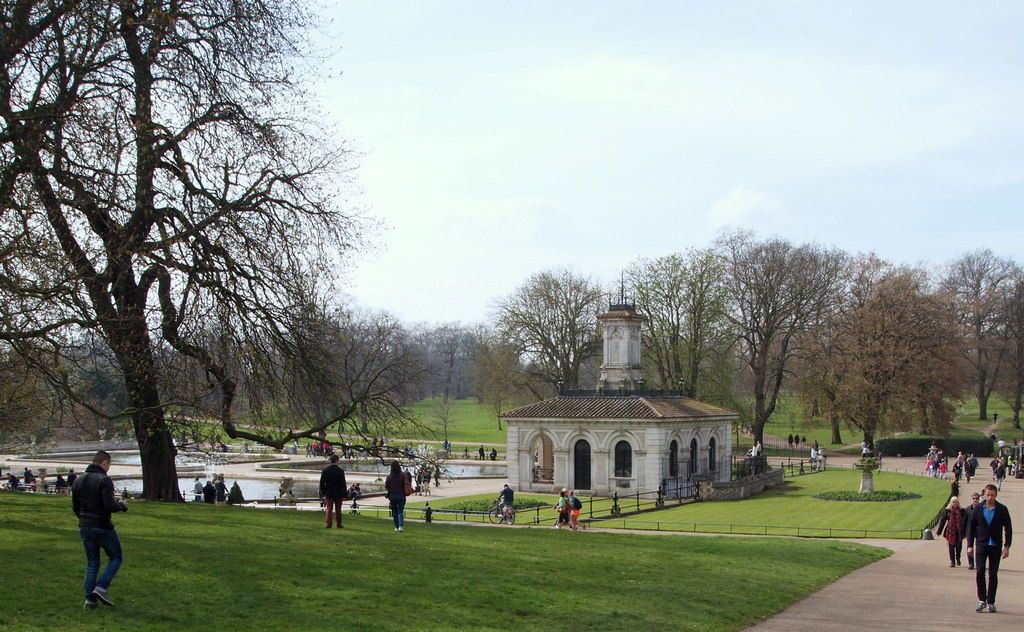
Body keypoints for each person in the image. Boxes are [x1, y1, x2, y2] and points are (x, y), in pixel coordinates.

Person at [71, 450, 128, 609]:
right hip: (102, 525)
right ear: (104, 463)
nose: (109, 468)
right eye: (109, 464)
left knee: (92, 562)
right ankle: (101, 587)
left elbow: (76, 507)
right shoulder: (104, 480)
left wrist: (84, 519)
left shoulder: (78, 480)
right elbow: (109, 506)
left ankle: (90, 600)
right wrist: (121, 506)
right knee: (116, 557)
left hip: (84, 525)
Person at [966, 484, 1013, 613]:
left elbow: (1008, 528)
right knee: (980, 571)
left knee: (993, 574)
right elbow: (972, 528)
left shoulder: (1002, 509)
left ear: (996, 495)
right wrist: (970, 545)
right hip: (981, 544)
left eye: (992, 495)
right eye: (988, 495)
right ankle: (982, 600)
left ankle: (991, 602)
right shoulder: (978, 509)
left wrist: (1007, 546)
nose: (990, 497)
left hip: (995, 545)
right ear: (984, 494)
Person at [937, 496, 968, 567]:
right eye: (953, 502)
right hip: (950, 532)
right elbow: (943, 521)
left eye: (956, 502)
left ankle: (958, 558)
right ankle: (952, 561)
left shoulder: (962, 510)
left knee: (959, 547)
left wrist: (965, 532)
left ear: (958, 502)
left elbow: (965, 521)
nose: (955, 503)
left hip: (959, 531)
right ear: (951, 503)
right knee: (951, 547)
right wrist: (939, 532)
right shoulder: (947, 511)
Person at [319, 454, 348, 529]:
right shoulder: (340, 471)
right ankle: (338, 524)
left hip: (329, 492)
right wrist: (344, 494)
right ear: (337, 460)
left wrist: (323, 492)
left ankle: (328, 524)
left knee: (329, 508)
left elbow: (322, 483)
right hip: (338, 493)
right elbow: (343, 484)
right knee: (338, 509)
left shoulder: (325, 470)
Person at [384, 460, 409, 532]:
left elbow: (386, 486)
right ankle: (401, 526)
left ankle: (396, 526)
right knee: (400, 510)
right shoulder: (402, 475)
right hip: (401, 494)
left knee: (394, 511)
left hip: (392, 495)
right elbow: (407, 483)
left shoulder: (389, 476)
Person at [964, 491, 982, 570]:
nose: (975, 500)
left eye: (976, 498)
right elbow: (964, 521)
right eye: (973, 498)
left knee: (980, 548)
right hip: (970, 531)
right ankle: (971, 563)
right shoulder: (968, 509)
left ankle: (979, 563)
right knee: (969, 547)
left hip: (980, 531)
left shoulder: (982, 508)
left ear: (979, 499)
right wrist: (964, 532)